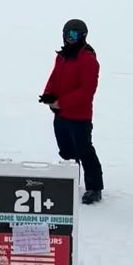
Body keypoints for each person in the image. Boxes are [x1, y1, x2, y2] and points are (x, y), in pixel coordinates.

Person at [39, 18, 104, 205]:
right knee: (66, 151)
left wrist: (62, 103)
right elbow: (54, 77)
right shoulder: (62, 56)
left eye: (73, 35)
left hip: (79, 117)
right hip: (61, 115)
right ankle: (71, 180)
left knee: (84, 151)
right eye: (67, 34)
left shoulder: (88, 60)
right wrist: (48, 94)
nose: (69, 38)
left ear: (82, 36)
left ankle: (94, 187)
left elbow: (86, 91)